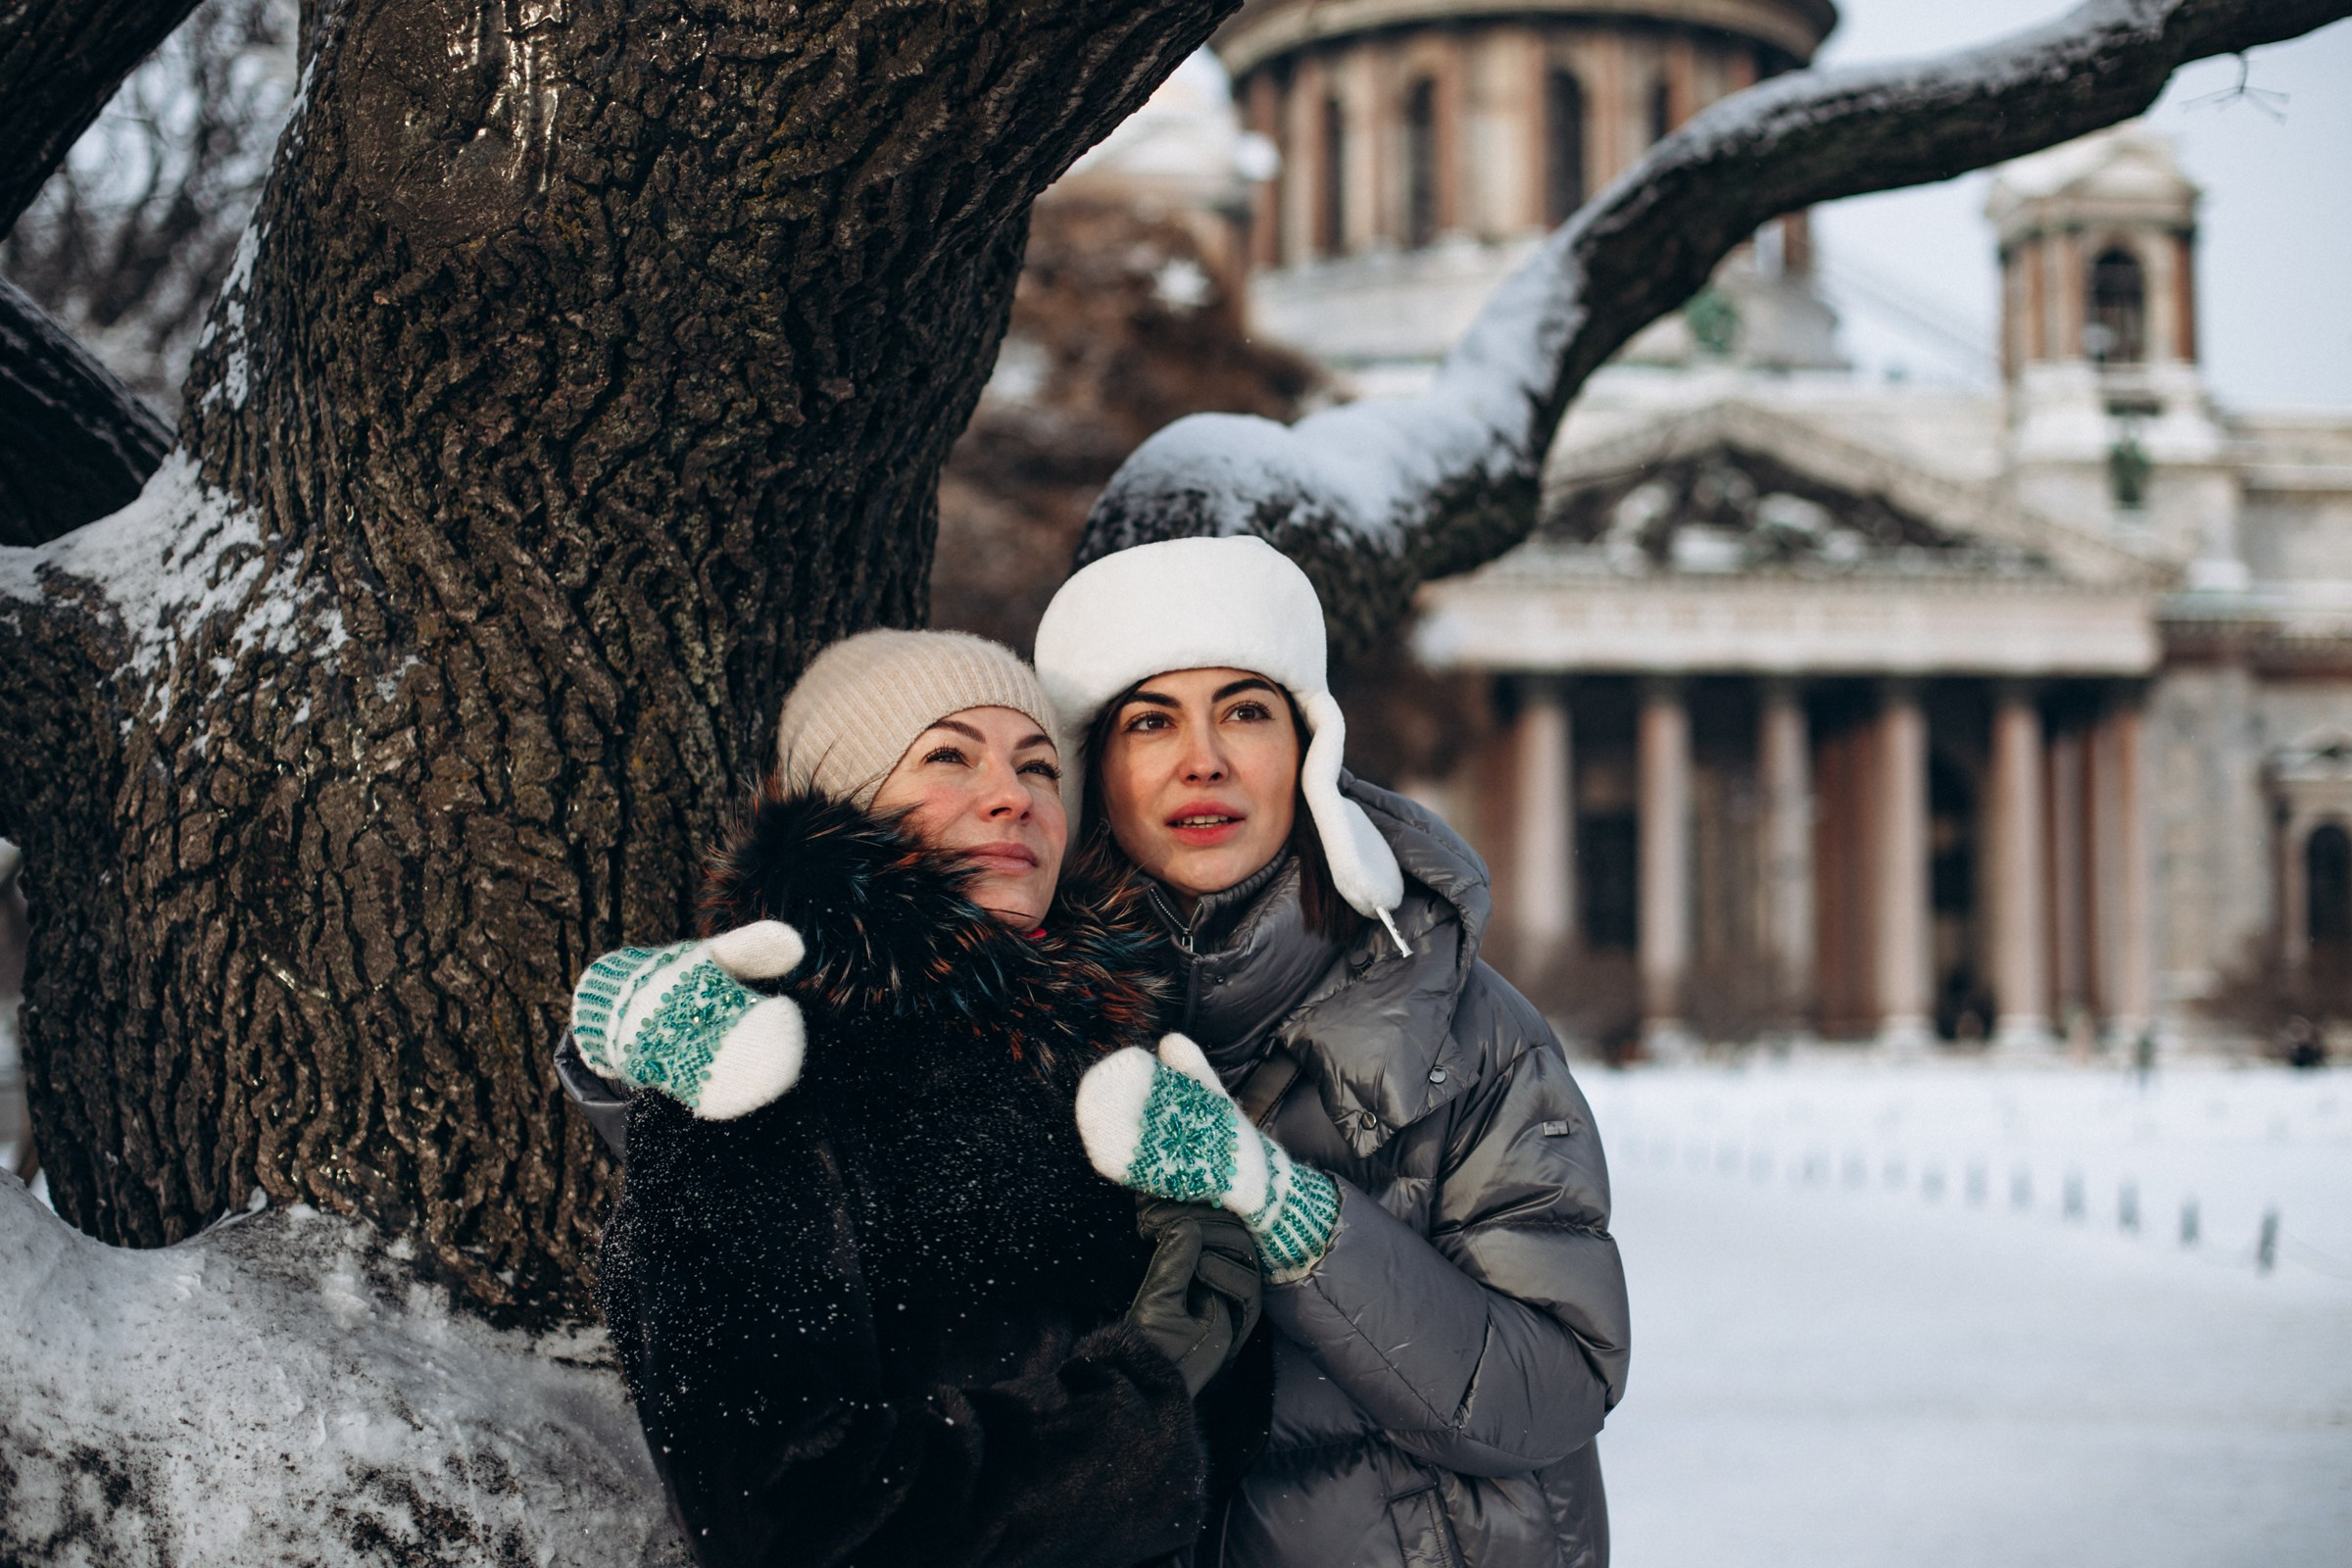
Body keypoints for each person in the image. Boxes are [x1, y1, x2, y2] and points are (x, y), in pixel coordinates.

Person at [569, 629, 1270, 1568]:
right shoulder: (752, 1065)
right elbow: (788, 1513)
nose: (1013, 795)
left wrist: (1222, 1345)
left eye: (1039, 766)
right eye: (948, 756)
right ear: (849, 808)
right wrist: (1139, 1410)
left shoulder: (1103, 1068)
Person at [1032, 536, 1631, 1568]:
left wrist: (1287, 1212)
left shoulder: (1469, 1031)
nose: (1204, 759)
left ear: (1308, 749)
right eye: (1150, 720)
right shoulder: (1020, 1034)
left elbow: (1556, 1387)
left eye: (1245, 711)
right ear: (1095, 767)